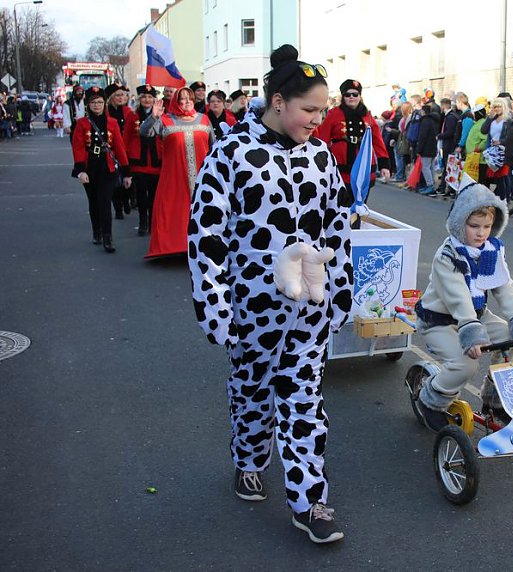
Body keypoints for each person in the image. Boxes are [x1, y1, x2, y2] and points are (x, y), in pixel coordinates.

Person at [188, 43, 353, 544]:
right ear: (278, 101)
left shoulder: (321, 155)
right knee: (253, 391)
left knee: (305, 401)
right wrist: (214, 307)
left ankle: (310, 502)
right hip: (252, 310)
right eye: (310, 110)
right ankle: (248, 458)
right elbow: (206, 235)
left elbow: (339, 227)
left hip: (308, 310)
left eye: (322, 111)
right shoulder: (232, 152)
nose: (318, 121)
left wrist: (341, 292)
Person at [413, 184, 513, 430]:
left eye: (487, 226)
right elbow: (458, 297)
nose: (481, 233)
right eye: (474, 226)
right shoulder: (448, 255)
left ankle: (496, 401)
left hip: (476, 316)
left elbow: (505, 288)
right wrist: (471, 331)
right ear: (459, 223)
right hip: (440, 320)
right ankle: (431, 400)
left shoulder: (490, 251)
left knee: (511, 338)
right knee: (465, 364)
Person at [142, 86, 213, 258]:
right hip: (174, 175)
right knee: (175, 209)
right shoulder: (166, 120)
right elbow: (145, 132)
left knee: (202, 208)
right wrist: (153, 117)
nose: (187, 102)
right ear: (176, 101)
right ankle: (175, 245)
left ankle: (203, 244)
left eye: (189, 98)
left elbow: (213, 145)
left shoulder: (204, 120)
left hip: (201, 175)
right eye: (183, 98)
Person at [70, 86, 132, 253]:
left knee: (105, 202)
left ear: (104, 103)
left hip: (107, 167)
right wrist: (81, 170)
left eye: (99, 102)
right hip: (90, 166)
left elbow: (119, 147)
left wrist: (126, 173)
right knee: (94, 202)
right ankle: (96, 230)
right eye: (93, 102)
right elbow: (78, 147)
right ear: (88, 104)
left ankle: (107, 236)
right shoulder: (82, 123)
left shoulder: (111, 123)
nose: (96, 105)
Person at [315, 79, 390, 206]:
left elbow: (377, 140)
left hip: (364, 166)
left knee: (360, 204)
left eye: (355, 94)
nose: (351, 97)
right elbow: (322, 139)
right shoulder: (334, 114)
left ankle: (357, 224)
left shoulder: (367, 115)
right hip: (342, 168)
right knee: (341, 205)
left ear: (360, 96)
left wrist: (384, 165)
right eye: (347, 94)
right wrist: (318, 163)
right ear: (343, 97)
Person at [123, 84, 162, 237]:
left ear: (154, 99)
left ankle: (153, 222)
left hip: (155, 160)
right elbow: (125, 138)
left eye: (150, 97)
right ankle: (142, 222)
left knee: (154, 195)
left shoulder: (160, 116)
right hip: (138, 161)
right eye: (144, 97)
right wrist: (125, 161)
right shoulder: (132, 116)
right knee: (141, 194)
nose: (147, 100)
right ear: (139, 99)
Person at [106, 84, 136, 218]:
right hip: (111, 150)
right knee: (114, 181)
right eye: (117, 95)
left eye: (123, 95)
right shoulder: (106, 111)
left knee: (127, 176)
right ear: (111, 97)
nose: (121, 98)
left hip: (125, 148)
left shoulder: (128, 111)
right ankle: (117, 206)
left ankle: (126, 199)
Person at [480, 97, 512, 200]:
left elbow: (511, 136)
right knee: (494, 176)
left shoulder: (508, 120)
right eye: (494, 107)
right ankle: (496, 198)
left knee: (502, 176)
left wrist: (501, 141)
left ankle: (504, 198)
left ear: (504, 107)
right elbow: (483, 130)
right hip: (492, 151)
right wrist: (489, 118)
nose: (497, 109)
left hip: (502, 150)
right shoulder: (492, 119)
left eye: (499, 106)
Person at [434, 97, 461, 196]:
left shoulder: (450, 117)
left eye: (441, 105)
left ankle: (445, 188)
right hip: (449, 145)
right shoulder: (452, 116)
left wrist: (439, 136)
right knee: (449, 167)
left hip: (449, 145)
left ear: (444, 105)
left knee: (448, 167)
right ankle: (449, 188)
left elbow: (449, 132)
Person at [414, 101, 441, 195]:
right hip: (433, 147)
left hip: (426, 148)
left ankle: (430, 185)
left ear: (423, 112)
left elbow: (422, 136)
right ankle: (433, 184)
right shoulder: (434, 120)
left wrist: (418, 149)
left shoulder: (425, 121)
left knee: (425, 167)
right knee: (432, 167)